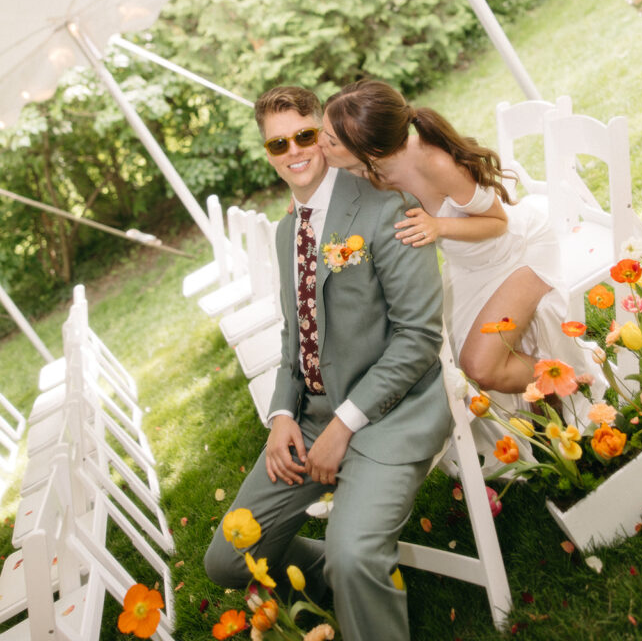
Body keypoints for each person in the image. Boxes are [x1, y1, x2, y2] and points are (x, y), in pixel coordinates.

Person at [204, 85, 452, 641]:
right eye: (277, 144)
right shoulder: (286, 231)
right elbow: (297, 338)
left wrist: (344, 424)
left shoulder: (386, 207)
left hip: (393, 412)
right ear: (266, 153)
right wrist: (283, 416)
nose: (293, 151)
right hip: (313, 417)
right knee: (226, 562)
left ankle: (351, 567)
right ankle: (333, 571)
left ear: (325, 134)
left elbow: (418, 338)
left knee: (355, 553)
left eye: (304, 135)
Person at [320, 80, 603, 407]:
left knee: (479, 367)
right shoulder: (367, 169)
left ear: (371, 150)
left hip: (517, 253)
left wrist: (437, 225)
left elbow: (498, 223)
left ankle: (570, 378)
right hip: (468, 265)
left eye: (330, 141)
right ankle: (549, 404)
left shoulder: (435, 163)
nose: (320, 147)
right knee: (443, 354)